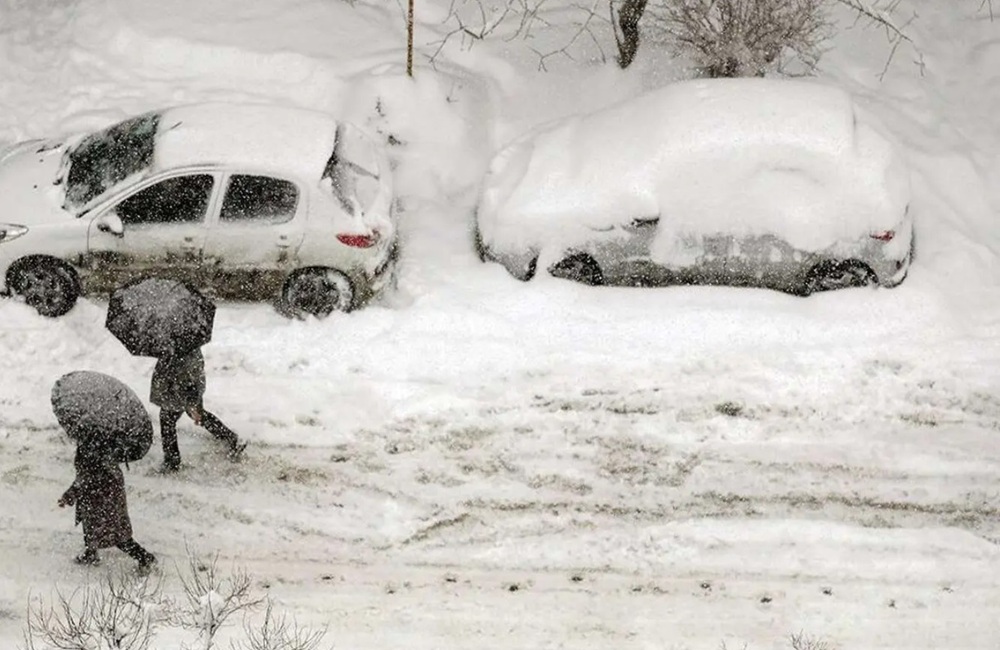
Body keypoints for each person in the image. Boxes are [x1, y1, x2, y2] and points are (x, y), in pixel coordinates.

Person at [58, 443, 156, 570]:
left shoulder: (90, 446)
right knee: (94, 526)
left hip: (100, 497)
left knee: (115, 534)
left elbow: (84, 478)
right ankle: (90, 552)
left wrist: (69, 496)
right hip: (108, 493)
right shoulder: (103, 441)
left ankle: (144, 557)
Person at [151, 347, 246, 472]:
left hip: (178, 391)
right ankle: (230, 438)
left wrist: (192, 403)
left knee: (167, 420)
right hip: (179, 389)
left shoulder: (179, 350)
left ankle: (172, 462)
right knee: (191, 415)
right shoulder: (186, 342)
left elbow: (187, 377)